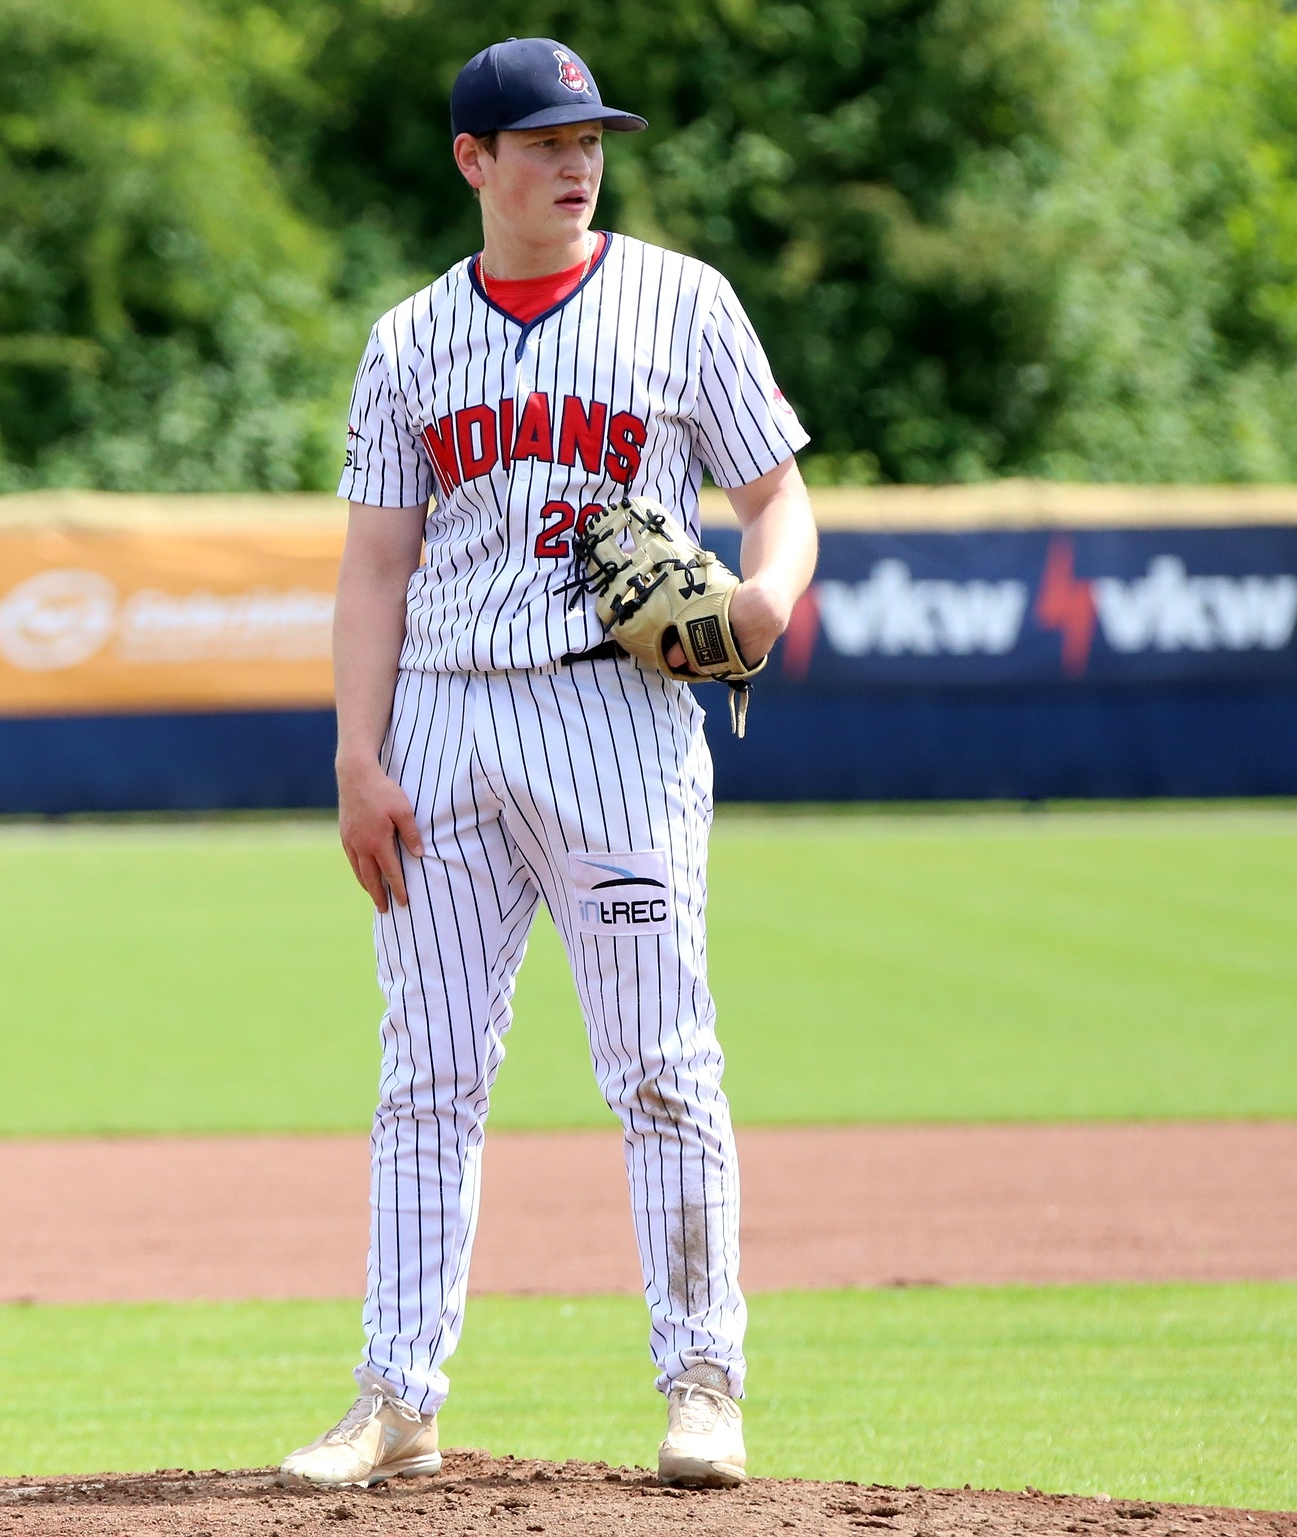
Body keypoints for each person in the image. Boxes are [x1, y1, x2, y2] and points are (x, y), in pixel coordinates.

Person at [278, 35, 818, 1492]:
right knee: (428, 1072)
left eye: (590, 141)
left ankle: (704, 1383)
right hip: (443, 722)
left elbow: (777, 497)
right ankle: (397, 1396)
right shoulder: (408, 341)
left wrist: (767, 596)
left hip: (616, 722)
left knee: (661, 1061)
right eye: (545, 143)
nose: (578, 164)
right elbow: (375, 566)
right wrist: (356, 757)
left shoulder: (682, 302)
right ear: (475, 160)